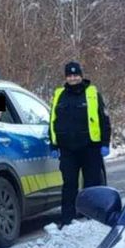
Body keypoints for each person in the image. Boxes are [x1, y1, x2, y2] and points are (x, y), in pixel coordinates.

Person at [49, 61, 111, 226]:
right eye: (69, 75)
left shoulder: (92, 93)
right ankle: (67, 221)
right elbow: (52, 121)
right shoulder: (59, 95)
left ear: (81, 76)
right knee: (69, 185)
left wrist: (105, 142)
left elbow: (104, 120)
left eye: (76, 75)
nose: (73, 78)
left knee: (92, 184)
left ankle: (94, 219)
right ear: (66, 77)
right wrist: (53, 145)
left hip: (90, 147)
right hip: (67, 149)